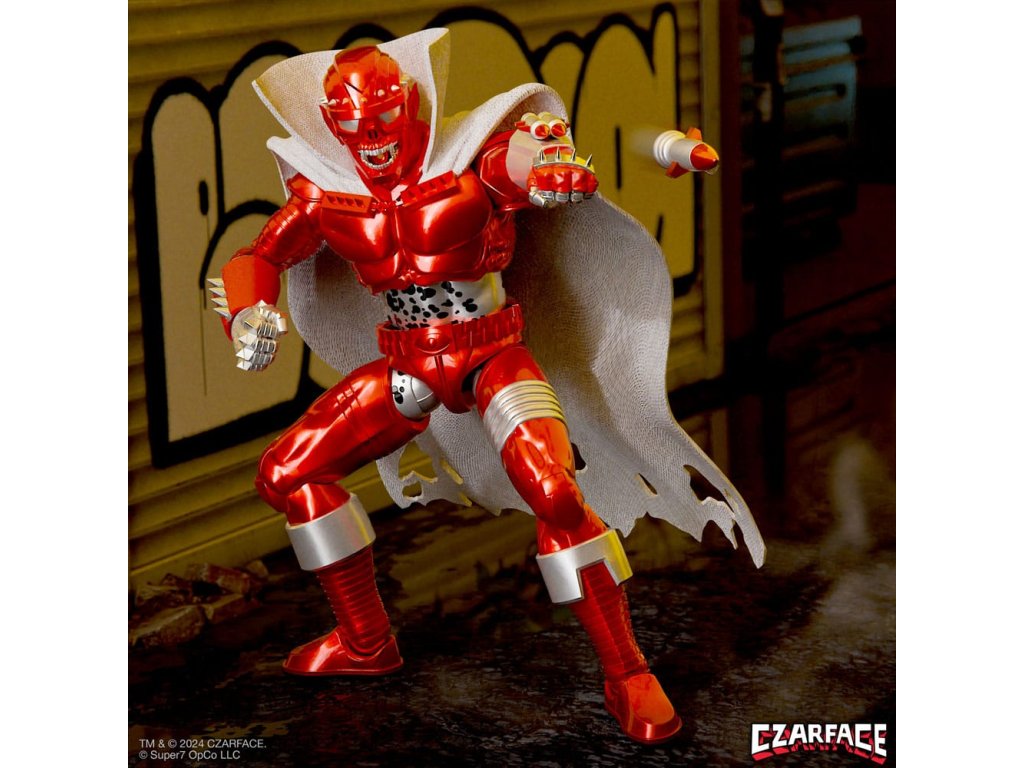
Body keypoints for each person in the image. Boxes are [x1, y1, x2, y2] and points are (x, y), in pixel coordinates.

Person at [210, 29, 761, 744]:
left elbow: (519, 162)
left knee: (555, 492)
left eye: (385, 119)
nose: (373, 139)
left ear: (411, 107)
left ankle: (627, 672)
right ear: (334, 125)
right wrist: (249, 312)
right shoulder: (327, 196)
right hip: (409, 367)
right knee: (287, 473)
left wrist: (545, 166)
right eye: (355, 125)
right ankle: (366, 640)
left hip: (491, 356)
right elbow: (257, 255)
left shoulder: (467, 165)